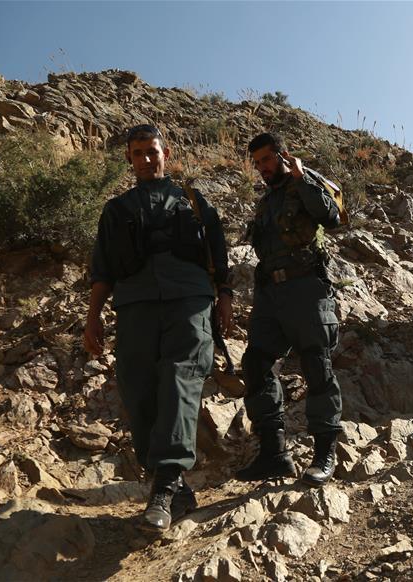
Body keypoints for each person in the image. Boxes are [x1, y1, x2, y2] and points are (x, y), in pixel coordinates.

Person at [84, 124, 233, 531]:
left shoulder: (194, 201)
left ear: (166, 154)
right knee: (137, 386)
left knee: (180, 379)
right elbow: (103, 269)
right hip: (135, 305)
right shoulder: (116, 209)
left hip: (189, 300)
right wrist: (93, 316)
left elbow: (218, 255)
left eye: (153, 151)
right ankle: (171, 483)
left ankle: (165, 485)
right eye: (138, 153)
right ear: (129, 159)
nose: (147, 159)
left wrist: (224, 298)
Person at [236, 132, 343, 487]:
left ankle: (324, 453)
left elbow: (331, 218)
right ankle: (273, 454)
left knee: (316, 362)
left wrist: (302, 178)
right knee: (256, 362)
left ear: (283, 155)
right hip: (271, 293)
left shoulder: (304, 183)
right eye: (258, 163)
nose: (263, 168)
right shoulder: (266, 202)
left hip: (306, 287)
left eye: (267, 160)